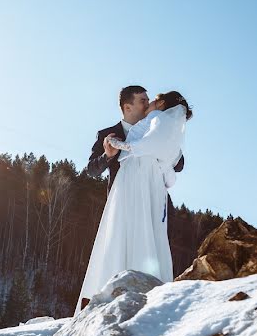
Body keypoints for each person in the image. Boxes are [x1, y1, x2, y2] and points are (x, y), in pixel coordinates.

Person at [76, 91, 193, 315]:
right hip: (123, 204)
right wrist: (108, 155)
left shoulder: (158, 126)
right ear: (127, 107)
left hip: (152, 203)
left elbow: (179, 165)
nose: (148, 104)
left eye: (149, 100)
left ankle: (151, 304)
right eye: (142, 101)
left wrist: (163, 146)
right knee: (118, 250)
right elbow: (92, 170)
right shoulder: (108, 134)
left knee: (151, 248)